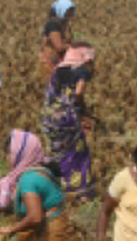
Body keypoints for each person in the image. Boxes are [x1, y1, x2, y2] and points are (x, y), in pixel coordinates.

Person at [41, 43, 96, 199]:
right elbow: (78, 92)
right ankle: (77, 189)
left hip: (49, 117)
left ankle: (55, 185)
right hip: (67, 118)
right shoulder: (82, 70)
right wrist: (83, 110)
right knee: (77, 151)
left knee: (56, 151)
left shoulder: (58, 70)